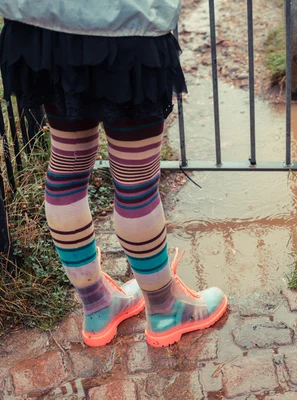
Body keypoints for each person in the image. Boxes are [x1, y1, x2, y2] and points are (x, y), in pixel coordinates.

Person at [0, 0, 228, 347]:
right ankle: (166, 310)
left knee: (67, 165)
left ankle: (97, 306)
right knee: (136, 182)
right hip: (125, 25)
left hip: (43, 25)